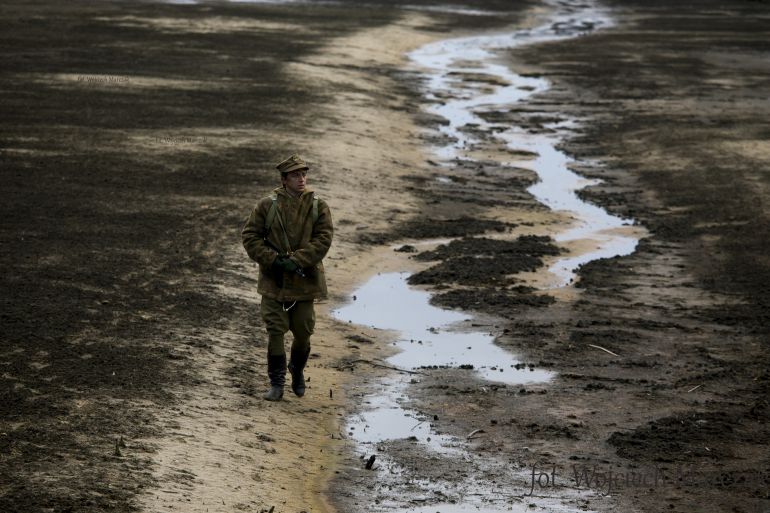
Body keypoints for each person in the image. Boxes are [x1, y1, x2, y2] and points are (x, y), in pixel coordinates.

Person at [241, 154, 333, 401]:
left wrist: (298, 260)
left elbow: (324, 240)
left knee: (303, 332)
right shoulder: (266, 206)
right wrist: (274, 259)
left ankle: (297, 370)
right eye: (295, 175)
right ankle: (277, 383)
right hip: (274, 282)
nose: (301, 179)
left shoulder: (318, 206)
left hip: (306, 282)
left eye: (304, 174)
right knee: (275, 330)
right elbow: (250, 237)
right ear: (284, 180)